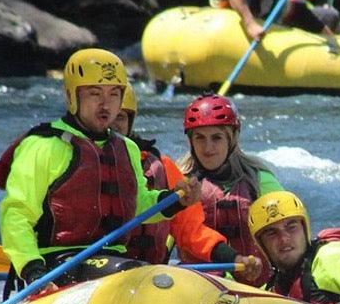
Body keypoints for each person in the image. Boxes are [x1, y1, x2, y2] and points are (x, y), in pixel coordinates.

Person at [0, 48, 200, 290]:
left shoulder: (127, 148)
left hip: (112, 259)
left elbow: (137, 204)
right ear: (72, 96)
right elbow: (16, 214)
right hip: (57, 264)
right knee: (135, 275)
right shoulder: (43, 145)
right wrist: (33, 270)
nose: (105, 104)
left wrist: (175, 201)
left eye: (114, 94)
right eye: (94, 93)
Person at [111, 86, 262, 280]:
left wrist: (234, 258)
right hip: (91, 266)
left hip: (146, 275)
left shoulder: (162, 168)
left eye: (120, 117)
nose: (112, 123)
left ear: (130, 122)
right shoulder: (76, 155)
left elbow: (191, 230)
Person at [178, 93, 282, 285]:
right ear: (191, 141)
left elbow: (285, 233)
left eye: (216, 138)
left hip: (255, 287)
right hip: (200, 286)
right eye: (200, 138)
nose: (208, 148)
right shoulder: (181, 183)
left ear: (231, 139)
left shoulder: (259, 180)